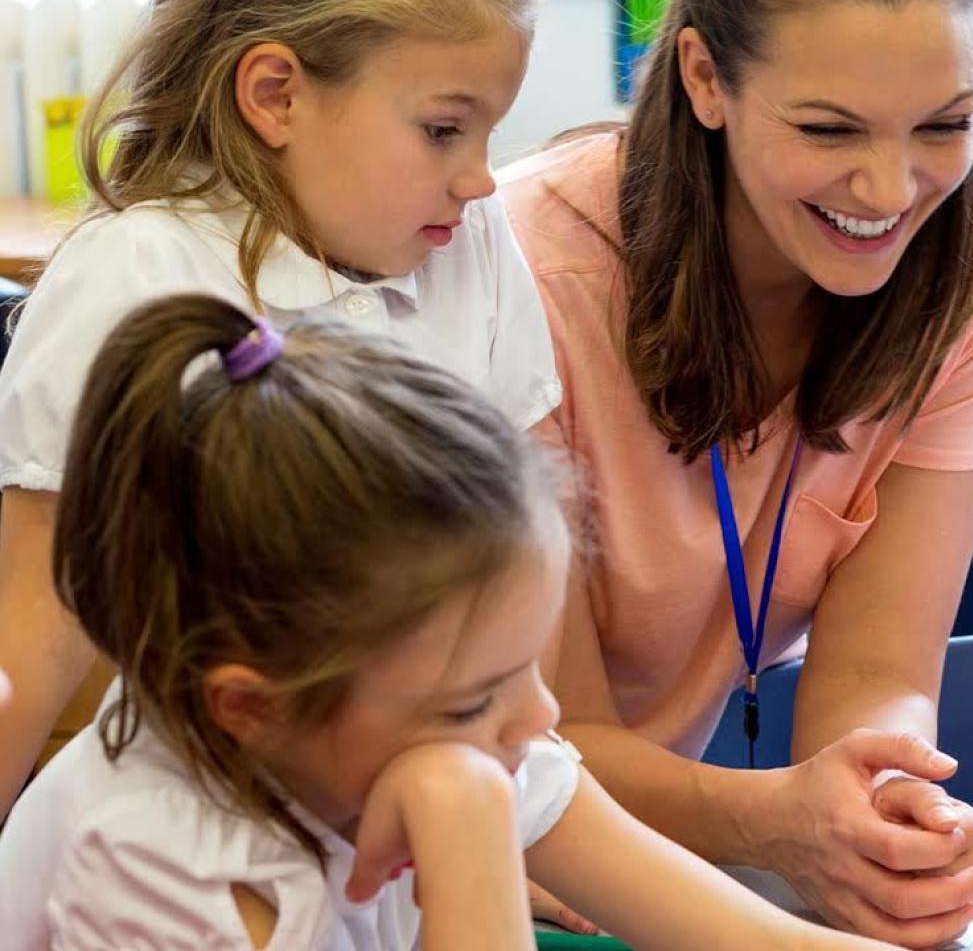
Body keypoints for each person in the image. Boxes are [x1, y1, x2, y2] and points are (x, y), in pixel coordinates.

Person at [0, 294, 903, 951]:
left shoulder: (450, 724)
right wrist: (466, 824)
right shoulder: (155, 869)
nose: (539, 719)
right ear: (250, 707)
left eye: (526, 668)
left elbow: (748, 937)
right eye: (477, 699)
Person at [498, 0, 973, 941]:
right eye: (830, 130)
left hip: (649, 857)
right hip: (483, 848)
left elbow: (880, 663)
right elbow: (546, 744)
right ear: (706, 79)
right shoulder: (524, 270)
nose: (889, 189)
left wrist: (881, 812)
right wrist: (776, 825)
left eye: (944, 124)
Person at [0, 0, 562, 828]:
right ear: (276, 96)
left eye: (489, 132)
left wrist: (516, 797)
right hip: (209, 826)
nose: (481, 178)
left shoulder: (464, 240)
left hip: (430, 792)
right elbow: (35, 626)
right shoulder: (135, 272)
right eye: (445, 130)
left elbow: (513, 579)